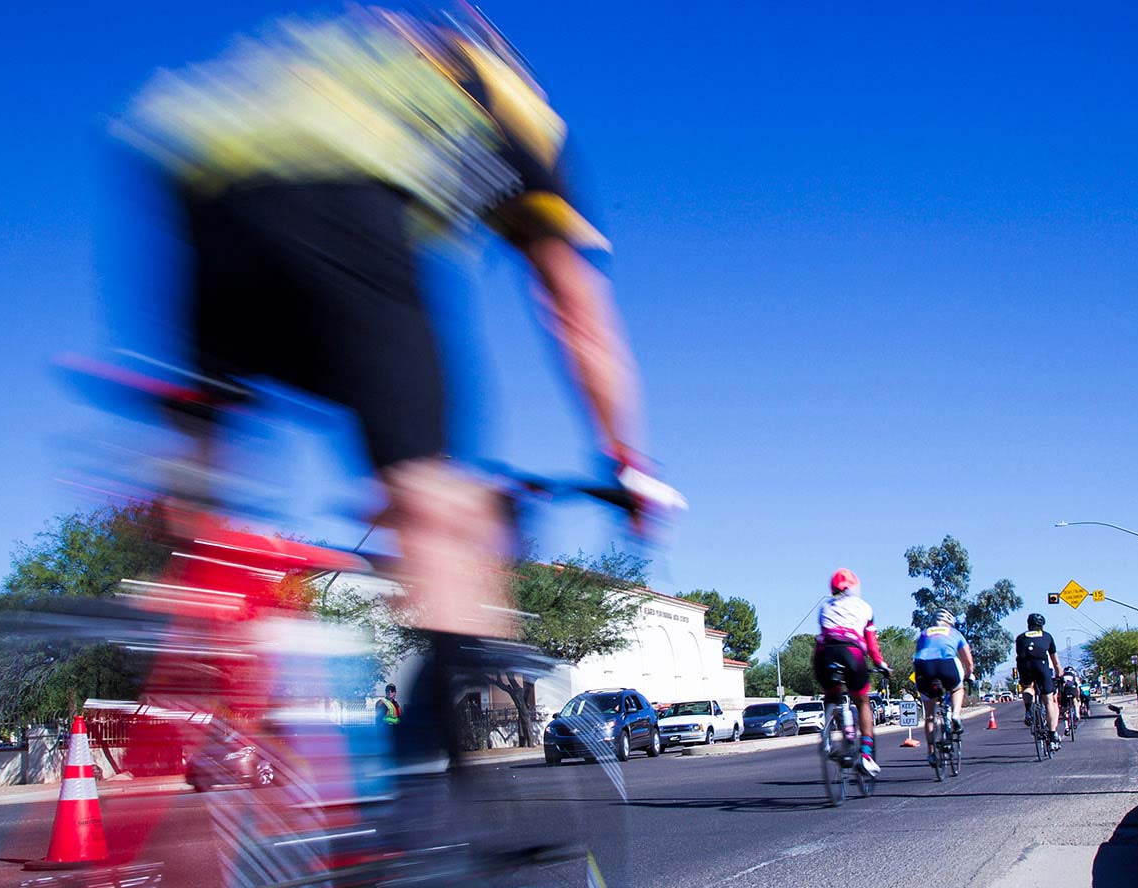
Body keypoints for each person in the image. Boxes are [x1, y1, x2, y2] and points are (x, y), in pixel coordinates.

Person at [115, 3, 682, 761]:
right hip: (341, 191)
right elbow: (574, 308)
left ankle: (185, 694)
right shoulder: (509, 101)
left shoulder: (358, 58)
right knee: (436, 498)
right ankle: (435, 841)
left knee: (208, 510)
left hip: (194, 183)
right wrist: (627, 460)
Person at [812, 569, 891, 776]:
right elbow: (871, 643)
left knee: (831, 693)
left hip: (824, 653)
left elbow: (826, 632)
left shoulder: (825, 607)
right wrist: (880, 663)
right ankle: (865, 755)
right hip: (851, 651)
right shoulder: (865, 607)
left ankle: (828, 733)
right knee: (862, 700)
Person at [913, 610, 975, 765]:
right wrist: (969, 674)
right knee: (957, 688)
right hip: (946, 665)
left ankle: (931, 753)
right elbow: (968, 660)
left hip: (923, 667)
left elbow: (918, 653)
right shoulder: (954, 633)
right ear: (950, 623)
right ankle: (955, 715)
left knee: (929, 716)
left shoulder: (923, 633)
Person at [1014, 614, 1063, 749]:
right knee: (1048, 700)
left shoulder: (1020, 638)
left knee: (1028, 687)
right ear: (1042, 626)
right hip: (1041, 666)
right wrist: (1059, 675)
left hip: (1025, 666)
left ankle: (1029, 708)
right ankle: (1052, 734)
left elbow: (1019, 654)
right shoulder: (1047, 636)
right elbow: (1055, 661)